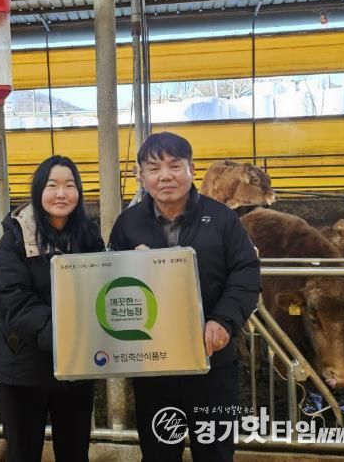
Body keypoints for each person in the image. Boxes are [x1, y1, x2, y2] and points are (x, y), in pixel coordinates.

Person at [109, 132, 260, 462]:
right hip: (154, 367)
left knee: (215, 453)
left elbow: (245, 273)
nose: (165, 176)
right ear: (141, 176)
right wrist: (131, 264)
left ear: (192, 169)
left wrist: (223, 320)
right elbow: (112, 283)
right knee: (159, 454)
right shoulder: (128, 224)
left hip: (212, 362)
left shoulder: (221, 218)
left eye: (175, 166)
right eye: (154, 168)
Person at [0, 155, 105, 462]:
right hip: (24, 368)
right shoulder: (17, 237)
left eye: (70, 185)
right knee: (23, 452)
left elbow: (101, 287)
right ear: (38, 191)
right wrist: (62, 335)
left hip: (75, 370)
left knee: (74, 452)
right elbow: (13, 300)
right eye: (52, 185)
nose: (61, 193)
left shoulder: (89, 235)